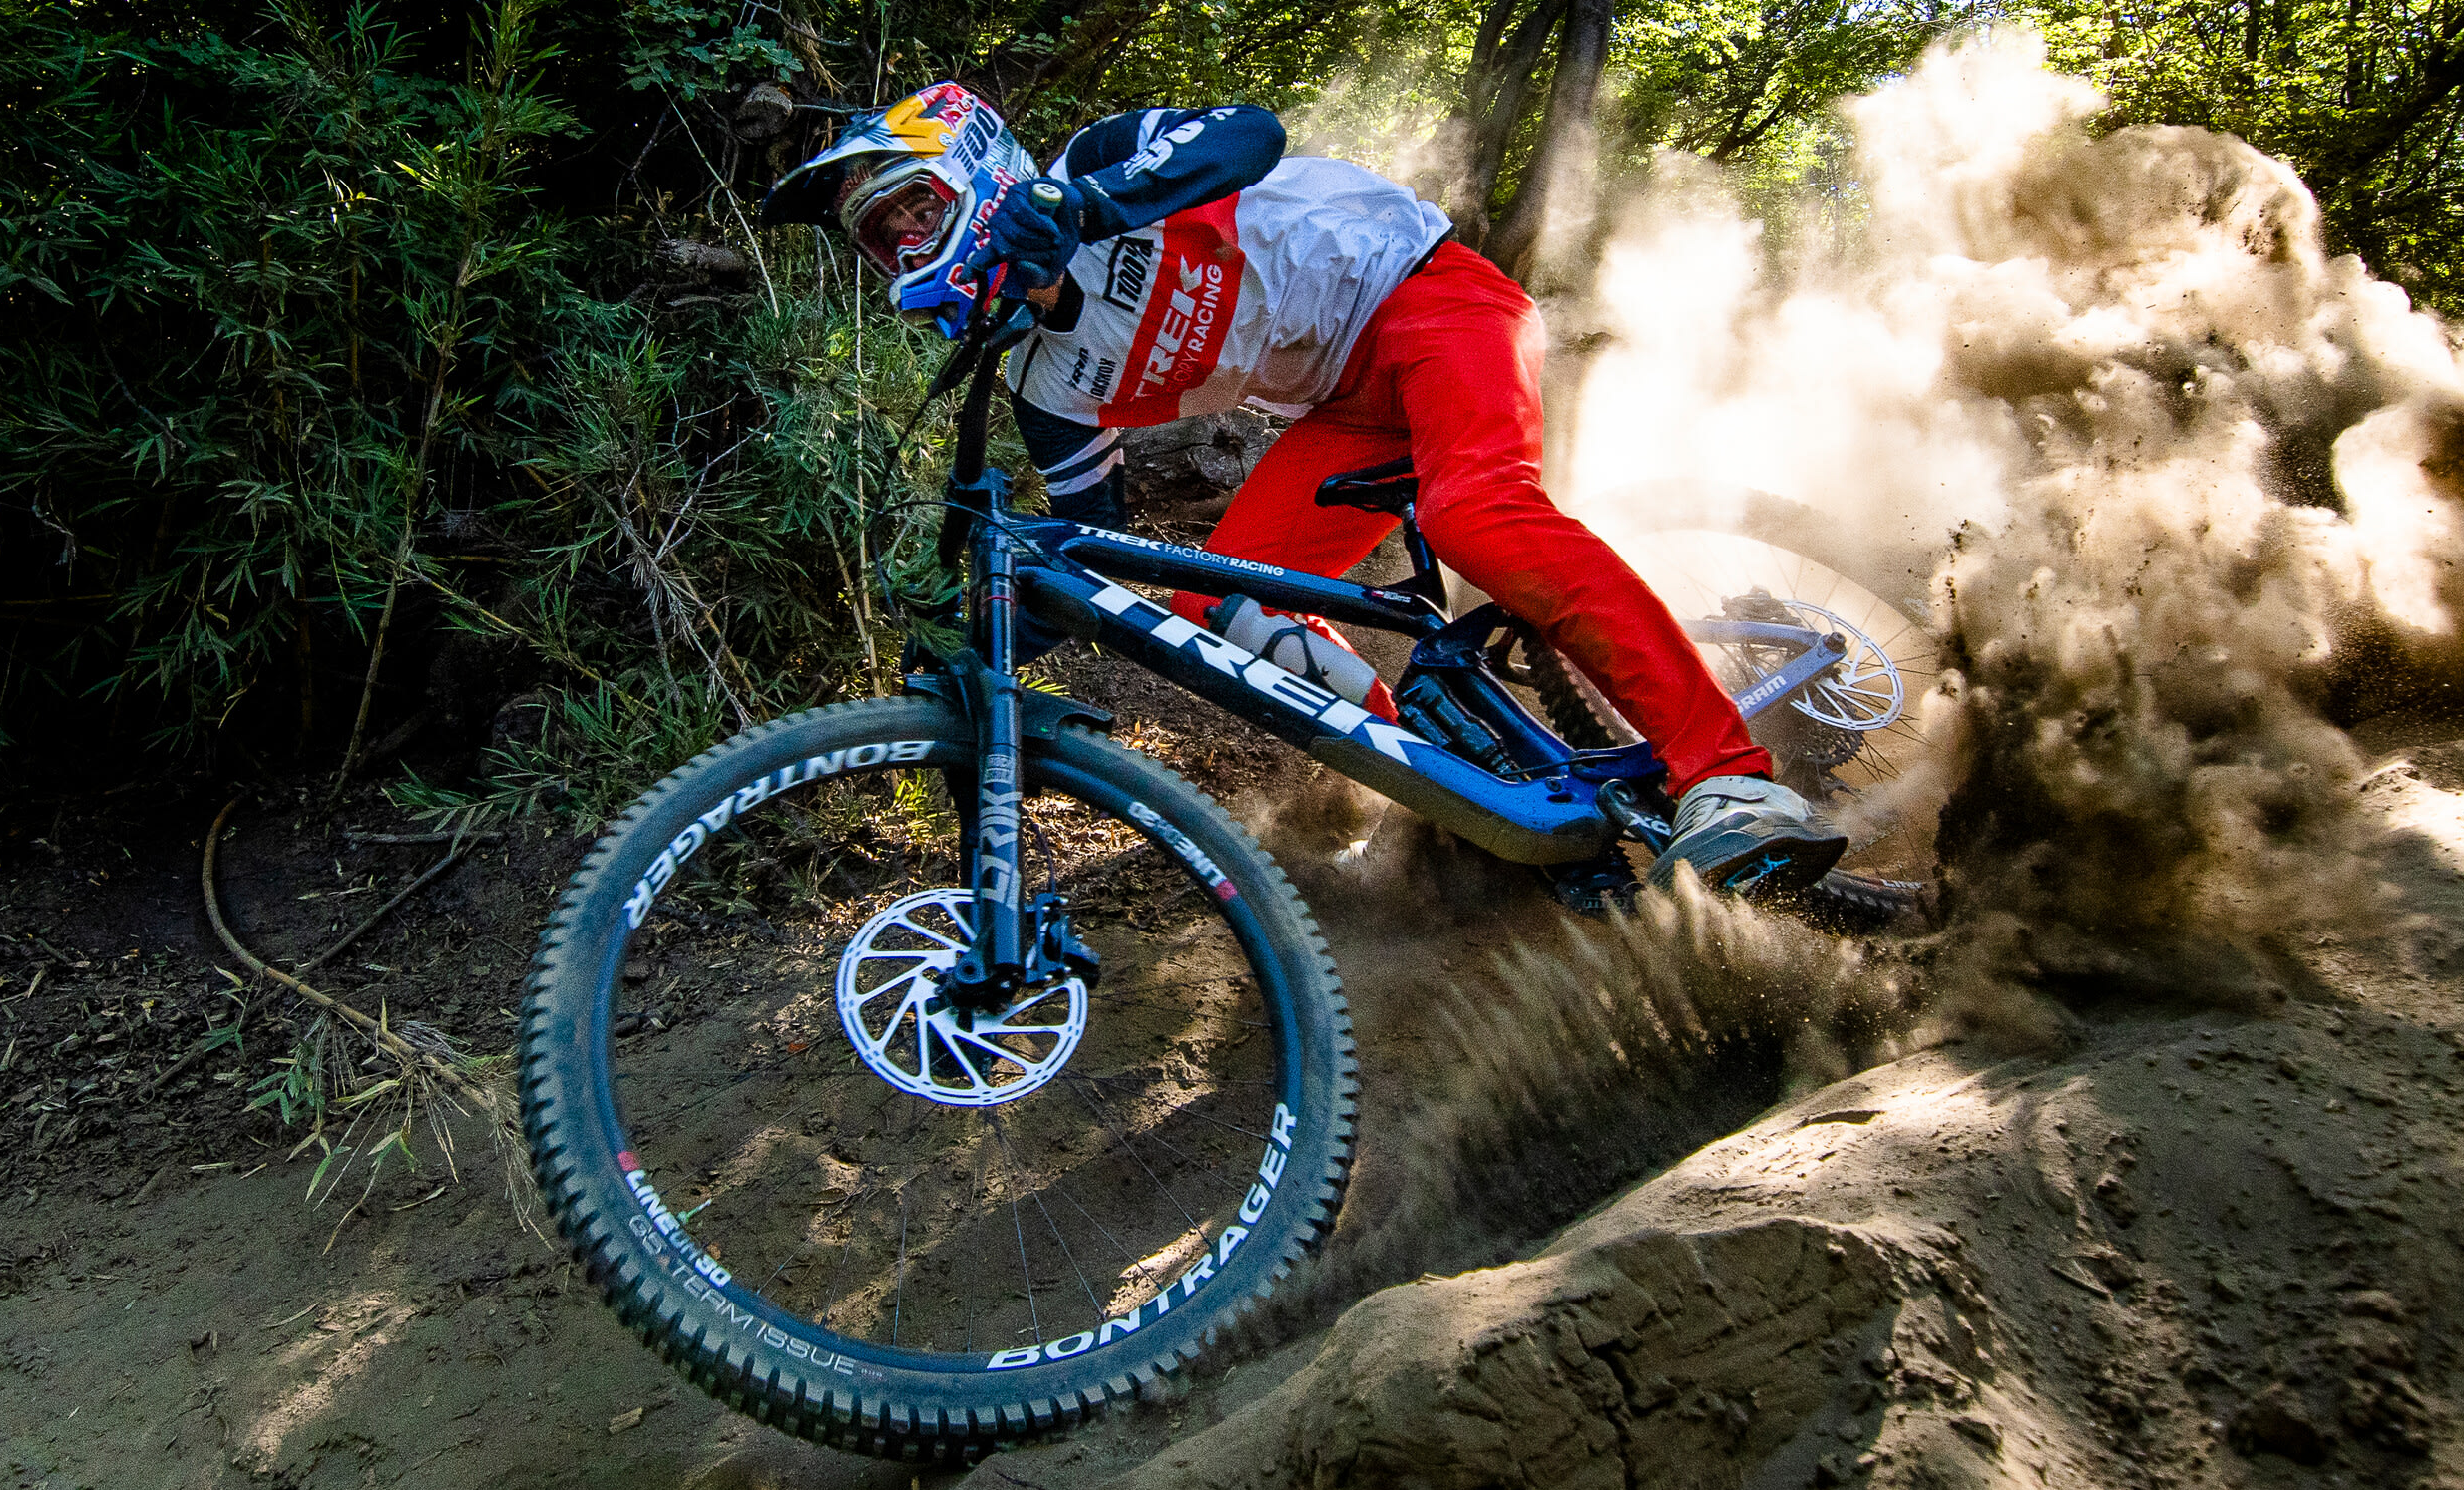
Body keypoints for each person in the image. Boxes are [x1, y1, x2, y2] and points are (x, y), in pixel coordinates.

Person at [762, 80, 1846, 895]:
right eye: (880, 240)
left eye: (910, 208)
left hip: (1433, 298)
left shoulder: (1102, 164)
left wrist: (1086, 205)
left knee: (1474, 511)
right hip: (1345, 408)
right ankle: (1462, 795)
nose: (901, 242)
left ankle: (1730, 775)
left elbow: (1249, 135)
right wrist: (978, 634)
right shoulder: (1045, 386)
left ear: (973, 168)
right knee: (1212, 603)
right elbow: (1097, 547)